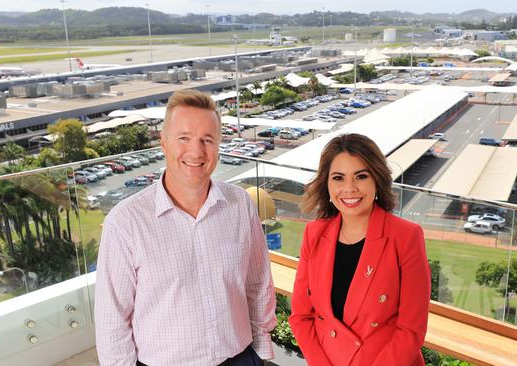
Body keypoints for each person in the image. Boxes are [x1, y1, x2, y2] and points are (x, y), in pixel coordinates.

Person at [95, 89, 276, 365]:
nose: (196, 151)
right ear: (164, 142)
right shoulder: (125, 222)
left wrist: (261, 353)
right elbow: (112, 322)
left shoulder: (240, 204)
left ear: (218, 146)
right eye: (184, 138)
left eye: (208, 139)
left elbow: (258, 282)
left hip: (240, 358)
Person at [289, 133, 430, 366]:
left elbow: (411, 330)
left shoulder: (406, 236)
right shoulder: (314, 233)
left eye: (361, 176)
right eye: (338, 178)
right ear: (327, 183)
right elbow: (301, 317)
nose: (349, 188)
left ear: (377, 179)